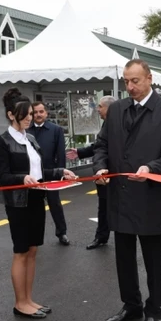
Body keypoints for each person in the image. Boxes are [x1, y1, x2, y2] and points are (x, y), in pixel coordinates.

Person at [93, 59, 161, 321]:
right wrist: (100, 166)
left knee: (152, 259)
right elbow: (102, 145)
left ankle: (153, 312)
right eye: (126, 82)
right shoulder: (117, 110)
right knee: (123, 258)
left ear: (149, 79)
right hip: (120, 197)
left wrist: (151, 168)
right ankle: (131, 305)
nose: (130, 87)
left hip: (151, 198)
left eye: (135, 81)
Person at [0, 89, 77, 319]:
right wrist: (22, 179)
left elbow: (40, 172)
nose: (30, 117)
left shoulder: (30, 139)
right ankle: (20, 303)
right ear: (11, 115)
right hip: (18, 203)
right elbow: (3, 176)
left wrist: (60, 171)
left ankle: (29, 299)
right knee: (21, 251)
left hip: (37, 198)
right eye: (25, 114)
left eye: (31, 113)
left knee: (32, 251)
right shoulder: (2, 142)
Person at [66, 95, 116, 250]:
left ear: (109, 108)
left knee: (120, 208)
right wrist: (80, 152)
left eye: (100, 106)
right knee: (103, 207)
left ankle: (125, 240)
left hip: (115, 174)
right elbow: (99, 146)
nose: (97, 109)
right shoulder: (107, 124)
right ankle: (101, 237)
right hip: (103, 175)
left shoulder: (119, 125)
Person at [27, 102, 71, 246]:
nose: (38, 115)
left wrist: (61, 174)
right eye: (35, 112)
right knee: (33, 206)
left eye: (41, 112)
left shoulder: (56, 129)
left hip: (51, 174)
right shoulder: (26, 130)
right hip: (33, 176)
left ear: (46, 113)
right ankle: (33, 235)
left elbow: (60, 154)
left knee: (55, 204)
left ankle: (62, 232)